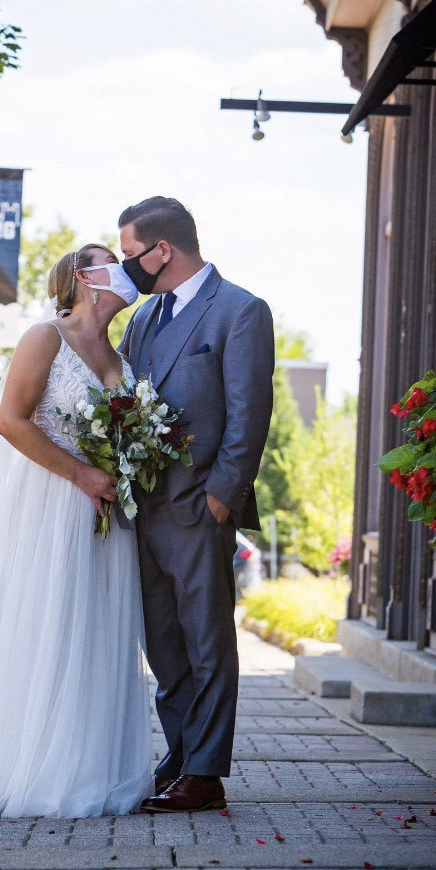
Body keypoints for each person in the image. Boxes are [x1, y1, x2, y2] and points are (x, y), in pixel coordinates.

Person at [0, 244, 152, 818]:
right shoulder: (45, 337)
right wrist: (81, 473)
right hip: (51, 503)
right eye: (110, 260)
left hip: (107, 513)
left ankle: (94, 768)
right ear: (83, 279)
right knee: (52, 624)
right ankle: (34, 768)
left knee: (99, 630)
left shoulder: (121, 350)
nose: (124, 269)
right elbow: (10, 420)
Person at [119, 196, 274, 813]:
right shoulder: (143, 319)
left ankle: (206, 773)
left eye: (131, 255)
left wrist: (218, 500)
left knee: (207, 642)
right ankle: (181, 753)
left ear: (164, 250)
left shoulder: (240, 311)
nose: (127, 267)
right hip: (142, 511)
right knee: (163, 644)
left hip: (199, 509)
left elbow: (249, 417)